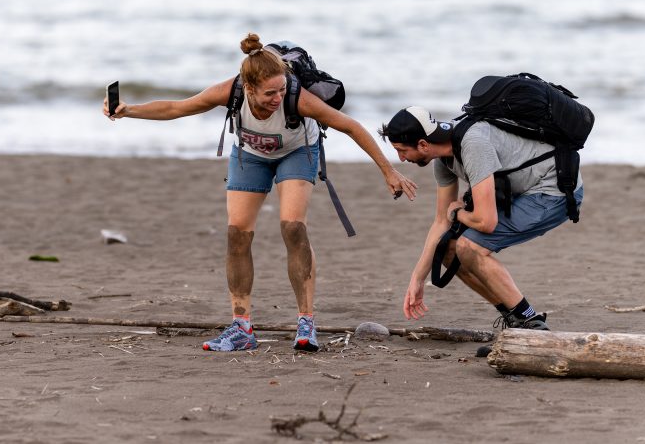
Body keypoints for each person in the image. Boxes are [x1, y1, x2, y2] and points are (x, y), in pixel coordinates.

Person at [103, 33, 417, 352]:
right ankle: (241, 327)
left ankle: (306, 323)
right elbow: (176, 107)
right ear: (249, 88)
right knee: (237, 234)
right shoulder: (231, 90)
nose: (278, 97)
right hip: (250, 154)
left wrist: (388, 170)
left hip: (298, 151)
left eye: (282, 89)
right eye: (270, 93)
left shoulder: (297, 98)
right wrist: (128, 111)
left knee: (292, 227)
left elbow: (349, 126)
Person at [379, 106, 583, 356]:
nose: (400, 159)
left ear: (423, 144)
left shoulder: (472, 145)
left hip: (554, 191)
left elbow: (485, 222)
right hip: (522, 191)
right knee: (449, 249)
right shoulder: (443, 158)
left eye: (402, 151)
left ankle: (533, 324)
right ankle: (517, 320)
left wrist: (457, 213)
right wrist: (417, 279)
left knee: (470, 246)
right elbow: (440, 223)